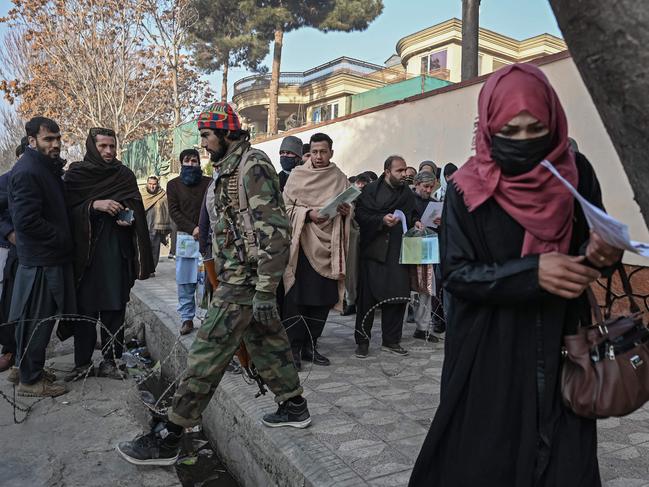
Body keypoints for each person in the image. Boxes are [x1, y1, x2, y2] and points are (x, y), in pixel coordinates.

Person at [409, 64, 623, 487]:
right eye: (510, 130)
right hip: (492, 346)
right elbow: (458, 273)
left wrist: (601, 253)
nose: (524, 141)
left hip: (564, 342)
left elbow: (592, 248)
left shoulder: (575, 172)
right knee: (490, 458)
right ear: (490, 125)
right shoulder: (467, 189)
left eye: (535, 128)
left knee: (564, 461)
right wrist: (533, 272)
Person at [117, 101, 310, 466]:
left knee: (205, 355)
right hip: (236, 278)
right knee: (266, 343)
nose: (203, 144)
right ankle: (294, 405)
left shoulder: (252, 165)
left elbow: (276, 230)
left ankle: (170, 435)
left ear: (225, 133)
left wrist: (267, 288)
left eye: (206, 135)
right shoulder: (228, 168)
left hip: (245, 282)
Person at [63, 127, 154, 381]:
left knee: (115, 310)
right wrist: (93, 206)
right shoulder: (77, 175)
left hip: (116, 254)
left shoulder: (123, 174)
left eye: (112, 146)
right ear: (93, 147)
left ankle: (111, 361)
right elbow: (66, 212)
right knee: (85, 312)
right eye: (103, 146)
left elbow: (136, 207)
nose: (108, 151)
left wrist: (130, 218)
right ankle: (82, 364)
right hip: (86, 259)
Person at [8, 117, 74, 397]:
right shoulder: (28, 170)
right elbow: (26, 221)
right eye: (49, 139)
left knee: (32, 320)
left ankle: (24, 370)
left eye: (58, 138)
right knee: (38, 320)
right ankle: (31, 381)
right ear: (32, 140)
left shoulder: (43, 167)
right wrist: (62, 237)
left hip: (42, 258)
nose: (56, 144)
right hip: (41, 261)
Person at [282, 132, 351, 369]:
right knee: (297, 300)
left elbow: (350, 206)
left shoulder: (339, 177)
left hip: (329, 247)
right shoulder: (297, 176)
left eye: (323, 151)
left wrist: (345, 210)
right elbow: (285, 209)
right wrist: (307, 214)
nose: (318, 156)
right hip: (302, 245)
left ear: (331, 152)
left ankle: (311, 346)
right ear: (308, 153)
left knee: (322, 299)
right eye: (314, 152)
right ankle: (293, 349)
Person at [354, 155, 417, 358]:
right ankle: (363, 342)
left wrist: (416, 222)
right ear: (387, 171)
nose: (404, 174)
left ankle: (391, 340)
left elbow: (412, 213)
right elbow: (361, 216)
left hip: (398, 252)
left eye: (405, 170)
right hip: (374, 251)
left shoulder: (407, 192)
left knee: (398, 297)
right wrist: (381, 219)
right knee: (368, 300)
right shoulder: (371, 191)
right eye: (399, 171)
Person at [166, 149, 211, 335]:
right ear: (181, 163)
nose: (191, 164)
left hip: (206, 238)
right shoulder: (173, 185)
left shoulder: (209, 183)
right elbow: (174, 211)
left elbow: (212, 206)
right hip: (186, 237)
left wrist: (203, 228)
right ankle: (187, 318)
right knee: (185, 281)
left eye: (194, 161)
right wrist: (193, 228)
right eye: (187, 161)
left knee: (206, 280)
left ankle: (207, 319)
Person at [0, 138, 26, 373]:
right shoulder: (6, 181)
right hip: (12, 250)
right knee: (10, 301)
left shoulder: (51, 180)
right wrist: (9, 233)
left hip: (42, 252)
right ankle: (9, 349)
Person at [410, 171, 439, 343]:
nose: (428, 190)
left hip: (428, 249)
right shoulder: (408, 199)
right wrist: (414, 221)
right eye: (425, 187)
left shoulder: (434, 203)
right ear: (417, 184)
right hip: (409, 247)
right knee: (408, 288)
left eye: (431, 187)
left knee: (426, 288)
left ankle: (422, 328)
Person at [141, 175, 171, 273]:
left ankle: (151, 269)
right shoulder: (142, 195)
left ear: (157, 184)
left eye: (154, 184)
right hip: (144, 226)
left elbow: (167, 210)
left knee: (154, 249)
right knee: (143, 249)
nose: (152, 186)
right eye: (150, 184)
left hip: (157, 227)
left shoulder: (163, 195)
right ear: (147, 184)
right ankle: (143, 268)